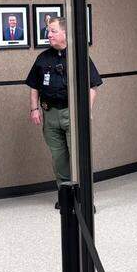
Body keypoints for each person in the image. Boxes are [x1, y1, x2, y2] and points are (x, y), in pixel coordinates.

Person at [25, 17, 101, 186]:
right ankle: (65, 193)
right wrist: (34, 109)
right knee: (59, 157)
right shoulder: (43, 58)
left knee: (78, 156)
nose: (48, 35)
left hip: (72, 113)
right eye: (48, 31)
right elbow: (34, 85)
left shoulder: (79, 56)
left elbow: (93, 86)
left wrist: (86, 110)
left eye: (53, 31)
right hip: (50, 115)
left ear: (65, 33)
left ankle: (84, 196)